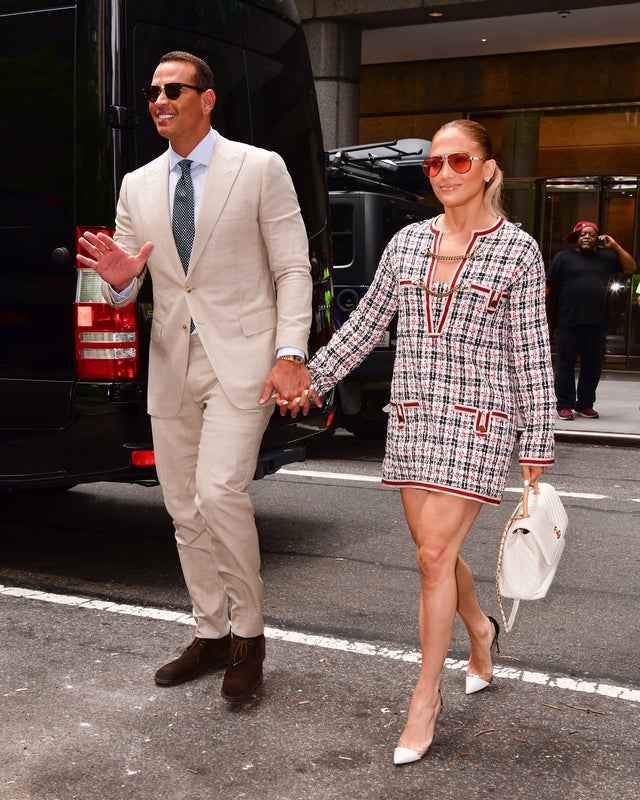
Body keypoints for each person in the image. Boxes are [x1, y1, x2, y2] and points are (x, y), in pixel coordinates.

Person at [283, 119, 555, 765]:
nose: (445, 174)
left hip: (480, 420)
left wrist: (537, 436)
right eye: (433, 164)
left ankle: (424, 698)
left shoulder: (517, 251)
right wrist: (311, 377)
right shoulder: (407, 243)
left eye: (459, 161)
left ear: (489, 168)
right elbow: (366, 324)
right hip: (412, 417)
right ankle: (480, 631)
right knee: (434, 554)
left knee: (435, 554)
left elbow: (532, 351)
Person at [77, 51, 314, 702]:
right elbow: (124, 284)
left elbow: (293, 267)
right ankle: (210, 631)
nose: (159, 99)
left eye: (172, 89)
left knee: (218, 492)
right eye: (152, 91)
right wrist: (120, 286)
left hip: (244, 357)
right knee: (183, 507)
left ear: (206, 99)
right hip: (171, 362)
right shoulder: (138, 186)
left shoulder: (259, 168)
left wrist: (290, 352)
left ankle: (249, 636)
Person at [546, 221, 635, 421]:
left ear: (598, 239)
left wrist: (615, 246)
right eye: (583, 234)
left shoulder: (606, 259)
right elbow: (548, 286)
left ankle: (585, 404)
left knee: (592, 366)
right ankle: (565, 405)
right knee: (565, 365)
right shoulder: (563, 258)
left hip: (596, 322)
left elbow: (631, 267)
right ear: (576, 238)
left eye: (592, 234)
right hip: (568, 321)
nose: (587, 236)